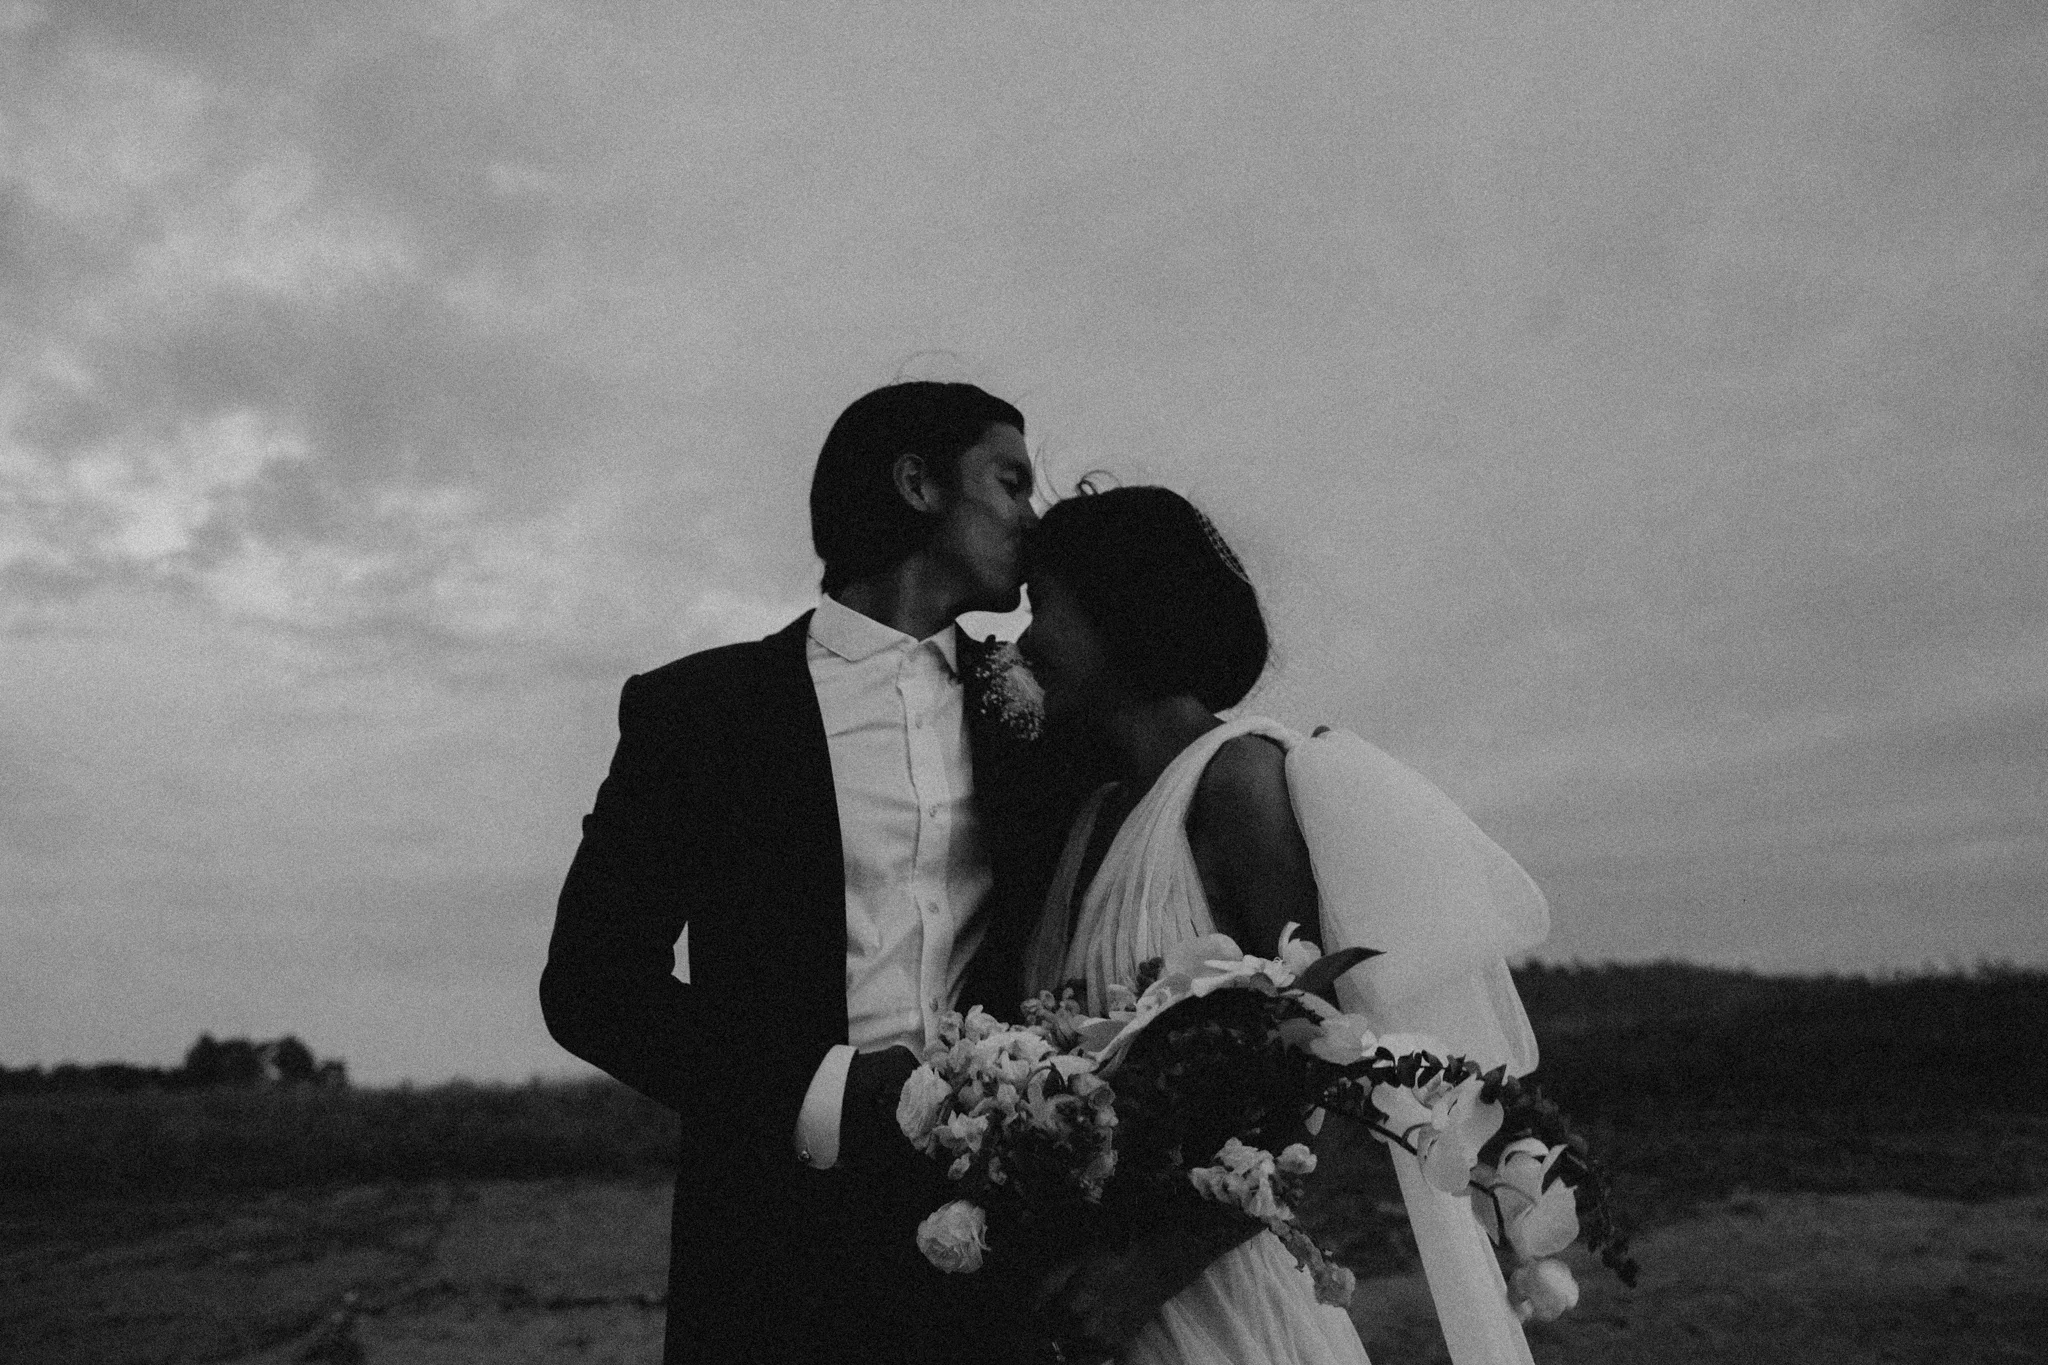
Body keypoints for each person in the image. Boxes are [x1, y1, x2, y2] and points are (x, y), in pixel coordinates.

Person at [540, 380, 1044, 1365]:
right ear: (918, 485)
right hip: (772, 1244)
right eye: (1011, 482)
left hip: (1002, 1250)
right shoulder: (702, 711)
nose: (1034, 516)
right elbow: (592, 986)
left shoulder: (1037, 712)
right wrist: (820, 1091)